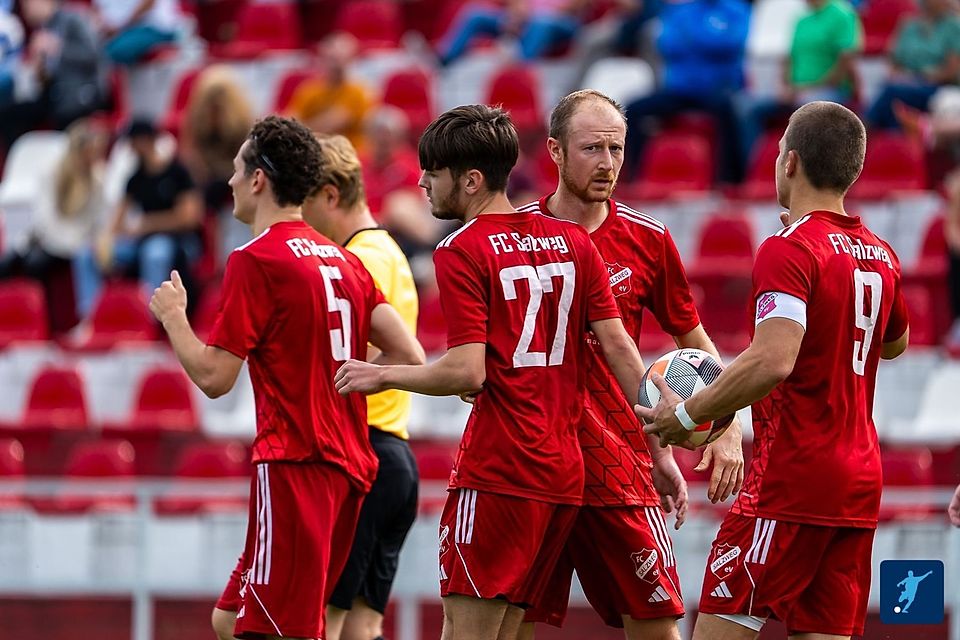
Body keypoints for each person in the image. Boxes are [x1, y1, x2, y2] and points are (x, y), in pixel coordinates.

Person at [334, 105, 649, 640]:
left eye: (433, 173)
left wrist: (381, 376)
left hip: (501, 466)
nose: (423, 185)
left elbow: (467, 372)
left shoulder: (461, 248)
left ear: (471, 180)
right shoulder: (573, 239)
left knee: (467, 632)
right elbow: (618, 345)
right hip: (562, 473)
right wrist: (660, 414)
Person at [639, 101, 911, 640]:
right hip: (857, 484)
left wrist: (690, 413)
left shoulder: (789, 248)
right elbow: (895, 344)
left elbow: (773, 360)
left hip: (790, 481)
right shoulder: (881, 254)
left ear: (789, 163)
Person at [148, 115, 425, 640]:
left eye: (237, 170)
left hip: (294, 464)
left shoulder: (257, 260)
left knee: (283, 630)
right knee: (229, 620)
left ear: (258, 180)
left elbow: (214, 377)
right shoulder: (347, 262)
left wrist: (175, 319)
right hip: (349, 466)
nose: (229, 181)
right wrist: (346, 375)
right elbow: (410, 353)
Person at [517, 89, 745, 640]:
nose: (607, 163)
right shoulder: (511, 235)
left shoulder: (649, 239)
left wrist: (727, 426)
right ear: (554, 150)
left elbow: (694, 341)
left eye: (616, 149)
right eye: (592, 148)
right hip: (530, 459)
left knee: (658, 622)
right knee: (509, 626)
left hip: (618, 462)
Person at [302, 134, 420, 640]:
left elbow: (383, 350)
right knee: (363, 628)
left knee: (324, 624)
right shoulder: (387, 248)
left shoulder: (359, 259)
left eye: (304, 201)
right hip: (397, 459)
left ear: (330, 194)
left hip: (364, 455)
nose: (300, 216)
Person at [75, 119, 203, 318]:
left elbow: (189, 218)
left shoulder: (178, 172)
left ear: (145, 141)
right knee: (86, 254)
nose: (131, 149)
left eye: (134, 142)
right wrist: (106, 242)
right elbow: (118, 220)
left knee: (155, 253)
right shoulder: (135, 178)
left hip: (176, 240)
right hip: (141, 240)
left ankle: (149, 317)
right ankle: (91, 316)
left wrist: (149, 224)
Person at [623, 0, 750, 184]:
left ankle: (729, 181)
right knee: (634, 110)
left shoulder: (735, 9)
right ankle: (636, 178)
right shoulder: (681, 9)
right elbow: (666, 43)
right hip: (680, 90)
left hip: (718, 88)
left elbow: (732, 43)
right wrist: (707, 37)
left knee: (729, 111)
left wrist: (692, 37)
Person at [0, 118, 106, 331]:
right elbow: (44, 217)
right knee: (9, 263)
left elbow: (94, 221)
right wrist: (60, 241)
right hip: (50, 239)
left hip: (75, 242)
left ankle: (47, 326)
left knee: (37, 265)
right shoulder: (51, 172)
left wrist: (72, 243)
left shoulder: (97, 180)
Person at [739, 0, 862, 170]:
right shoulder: (801, 19)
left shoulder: (842, 15)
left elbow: (844, 63)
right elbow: (789, 58)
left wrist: (805, 89)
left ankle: (810, 174)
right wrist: (785, 86)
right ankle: (755, 169)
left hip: (828, 90)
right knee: (748, 109)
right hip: (797, 90)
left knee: (809, 108)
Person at [0, 0, 104, 151]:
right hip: (54, 96)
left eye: (28, 4)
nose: (26, 10)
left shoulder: (73, 18)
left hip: (80, 96)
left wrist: (58, 48)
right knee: (9, 115)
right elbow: (49, 75)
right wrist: (38, 68)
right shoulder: (44, 28)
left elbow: (94, 56)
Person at [866, 0, 960, 129]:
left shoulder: (954, 26)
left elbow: (952, 70)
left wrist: (920, 78)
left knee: (891, 93)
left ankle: (865, 130)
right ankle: (893, 142)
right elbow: (893, 59)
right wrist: (898, 75)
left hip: (936, 85)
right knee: (893, 100)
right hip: (905, 82)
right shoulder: (908, 24)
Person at [433, 0, 590, 66]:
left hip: (561, 22)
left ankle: (520, 67)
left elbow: (580, 5)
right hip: (526, 19)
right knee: (476, 14)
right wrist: (516, 14)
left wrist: (541, 13)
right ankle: (445, 58)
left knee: (541, 23)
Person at [286, 33, 372, 150]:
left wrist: (301, 129)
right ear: (322, 59)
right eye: (332, 59)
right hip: (316, 152)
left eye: (342, 59)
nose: (337, 65)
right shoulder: (309, 90)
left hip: (348, 157)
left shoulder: (359, 92)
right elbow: (291, 120)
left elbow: (332, 123)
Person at [92, 0, 179, 64]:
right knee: (92, 54)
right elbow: (98, 10)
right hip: (120, 32)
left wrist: (120, 26)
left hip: (154, 28)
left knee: (111, 54)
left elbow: (148, 3)